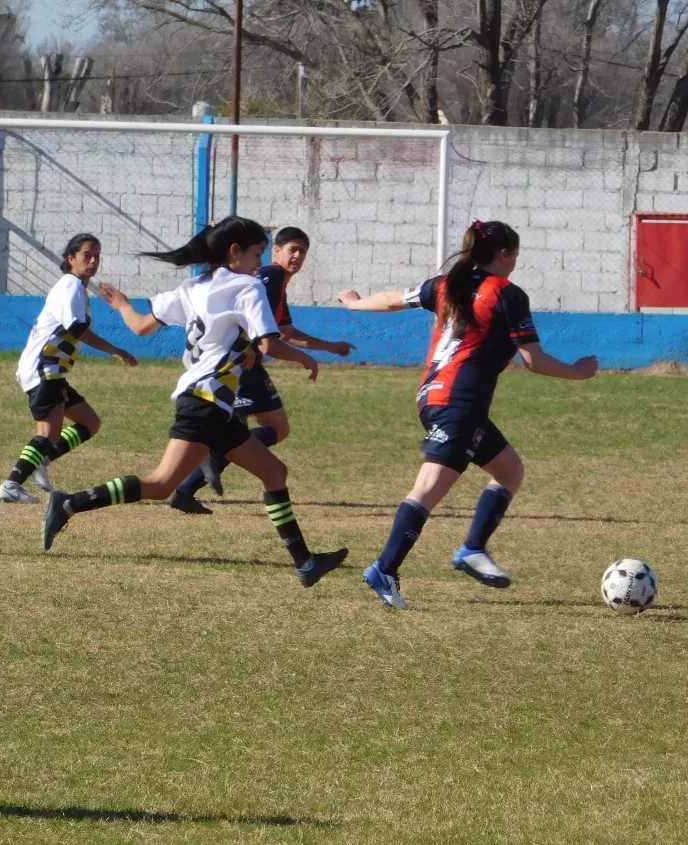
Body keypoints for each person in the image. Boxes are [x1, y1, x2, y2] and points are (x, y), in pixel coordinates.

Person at [42, 216, 347, 588]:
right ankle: (68, 503)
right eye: (256, 253)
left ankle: (305, 563)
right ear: (235, 252)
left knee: (271, 472)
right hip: (207, 402)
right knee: (160, 484)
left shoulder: (193, 286)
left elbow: (140, 327)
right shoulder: (248, 287)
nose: (259, 262)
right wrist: (307, 357)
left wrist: (122, 304)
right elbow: (269, 341)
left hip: (205, 401)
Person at [338, 220, 598, 609]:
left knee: (510, 471)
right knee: (427, 491)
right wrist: (578, 371)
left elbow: (394, 299)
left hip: (434, 398)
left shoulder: (447, 284)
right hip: (458, 405)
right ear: (506, 254)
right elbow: (534, 360)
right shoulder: (506, 294)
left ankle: (472, 549)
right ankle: (384, 570)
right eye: (516, 255)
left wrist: (356, 302)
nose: (515, 263)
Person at [168, 226, 356, 512]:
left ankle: (187, 487)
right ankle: (203, 467)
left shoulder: (275, 281)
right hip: (243, 363)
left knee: (238, 427)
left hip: (240, 362)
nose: (297, 256)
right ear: (276, 251)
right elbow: (250, 318)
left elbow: (286, 331)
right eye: (292, 249)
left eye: (302, 251)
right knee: (274, 428)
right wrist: (250, 349)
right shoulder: (272, 276)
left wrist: (329, 347)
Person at [0, 233, 137, 504]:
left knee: (90, 423)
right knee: (48, 433)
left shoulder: (77, 287)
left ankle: (41, 461)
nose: (94, 260)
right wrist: (115, 349)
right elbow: (76, 329)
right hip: (44, 368)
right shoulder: (71, 285)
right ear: (71, 259)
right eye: (87, 255)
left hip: (53, 371)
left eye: (97, 255)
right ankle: (12, 484)